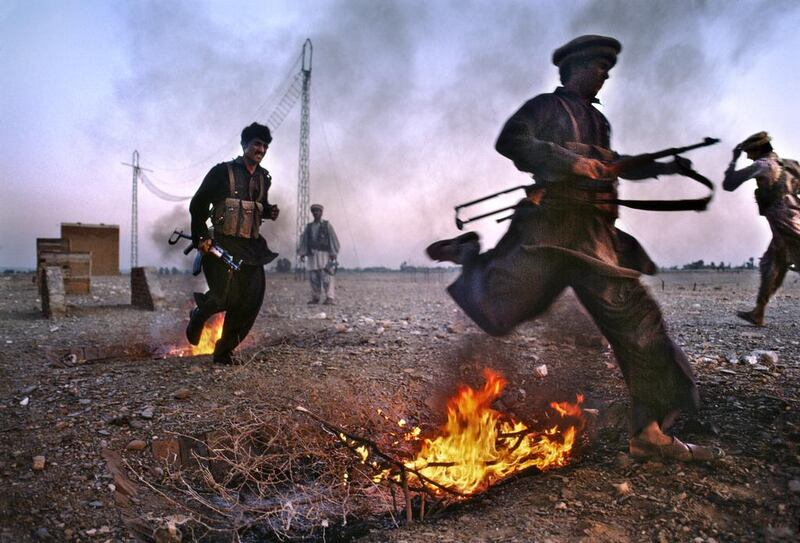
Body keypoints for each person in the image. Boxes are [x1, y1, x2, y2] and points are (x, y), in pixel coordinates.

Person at [426, 35, 722, 461]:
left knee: (640, 324)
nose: (606, 75)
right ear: (579, 67)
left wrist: (662, 165)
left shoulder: (600, 123)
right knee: (497, 313)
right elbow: (511, 141)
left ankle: (649, 432)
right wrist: (570, 162)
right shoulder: (545, 107)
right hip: (550, 233)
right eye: (600, 68)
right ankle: (471, 254)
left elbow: (612, 164)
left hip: (594, 237)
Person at [186, 122, 280, 365]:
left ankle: (223, 351)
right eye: (257, 143)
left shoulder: (263, 178)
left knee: (251, 300)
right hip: (220, 244)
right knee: (224, 297)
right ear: (244, 145)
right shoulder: (221, 172)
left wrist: (269, 211)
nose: (261, 149)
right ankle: (200, 314)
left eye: (265, 146)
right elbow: (197, 205)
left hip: (251, 248)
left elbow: (255, 206)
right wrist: (201, 238)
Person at [722, 131, 800, 326]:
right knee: (772, 263)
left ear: (758, 150)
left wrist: (733, 160)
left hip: (785, 223)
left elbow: (729, 184)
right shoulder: (789, 164)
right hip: (790, 219)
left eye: (749, 152)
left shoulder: (763, 165)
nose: (748, 155)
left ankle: (758, 312)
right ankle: (758, 312)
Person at [298, 204, 340, 304]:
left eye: (318, 211)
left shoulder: (327, 225)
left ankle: (329, 297)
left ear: (321, 212)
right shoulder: (309, 226)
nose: (316, 213)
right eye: (314, 211)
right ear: (312, 213)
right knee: (313, 277)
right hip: (312, 255)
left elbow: (333, 239)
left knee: (326, 276)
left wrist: (333, 253)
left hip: (324, 254)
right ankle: (315, 297)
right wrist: (302, 253)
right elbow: (304, 240)